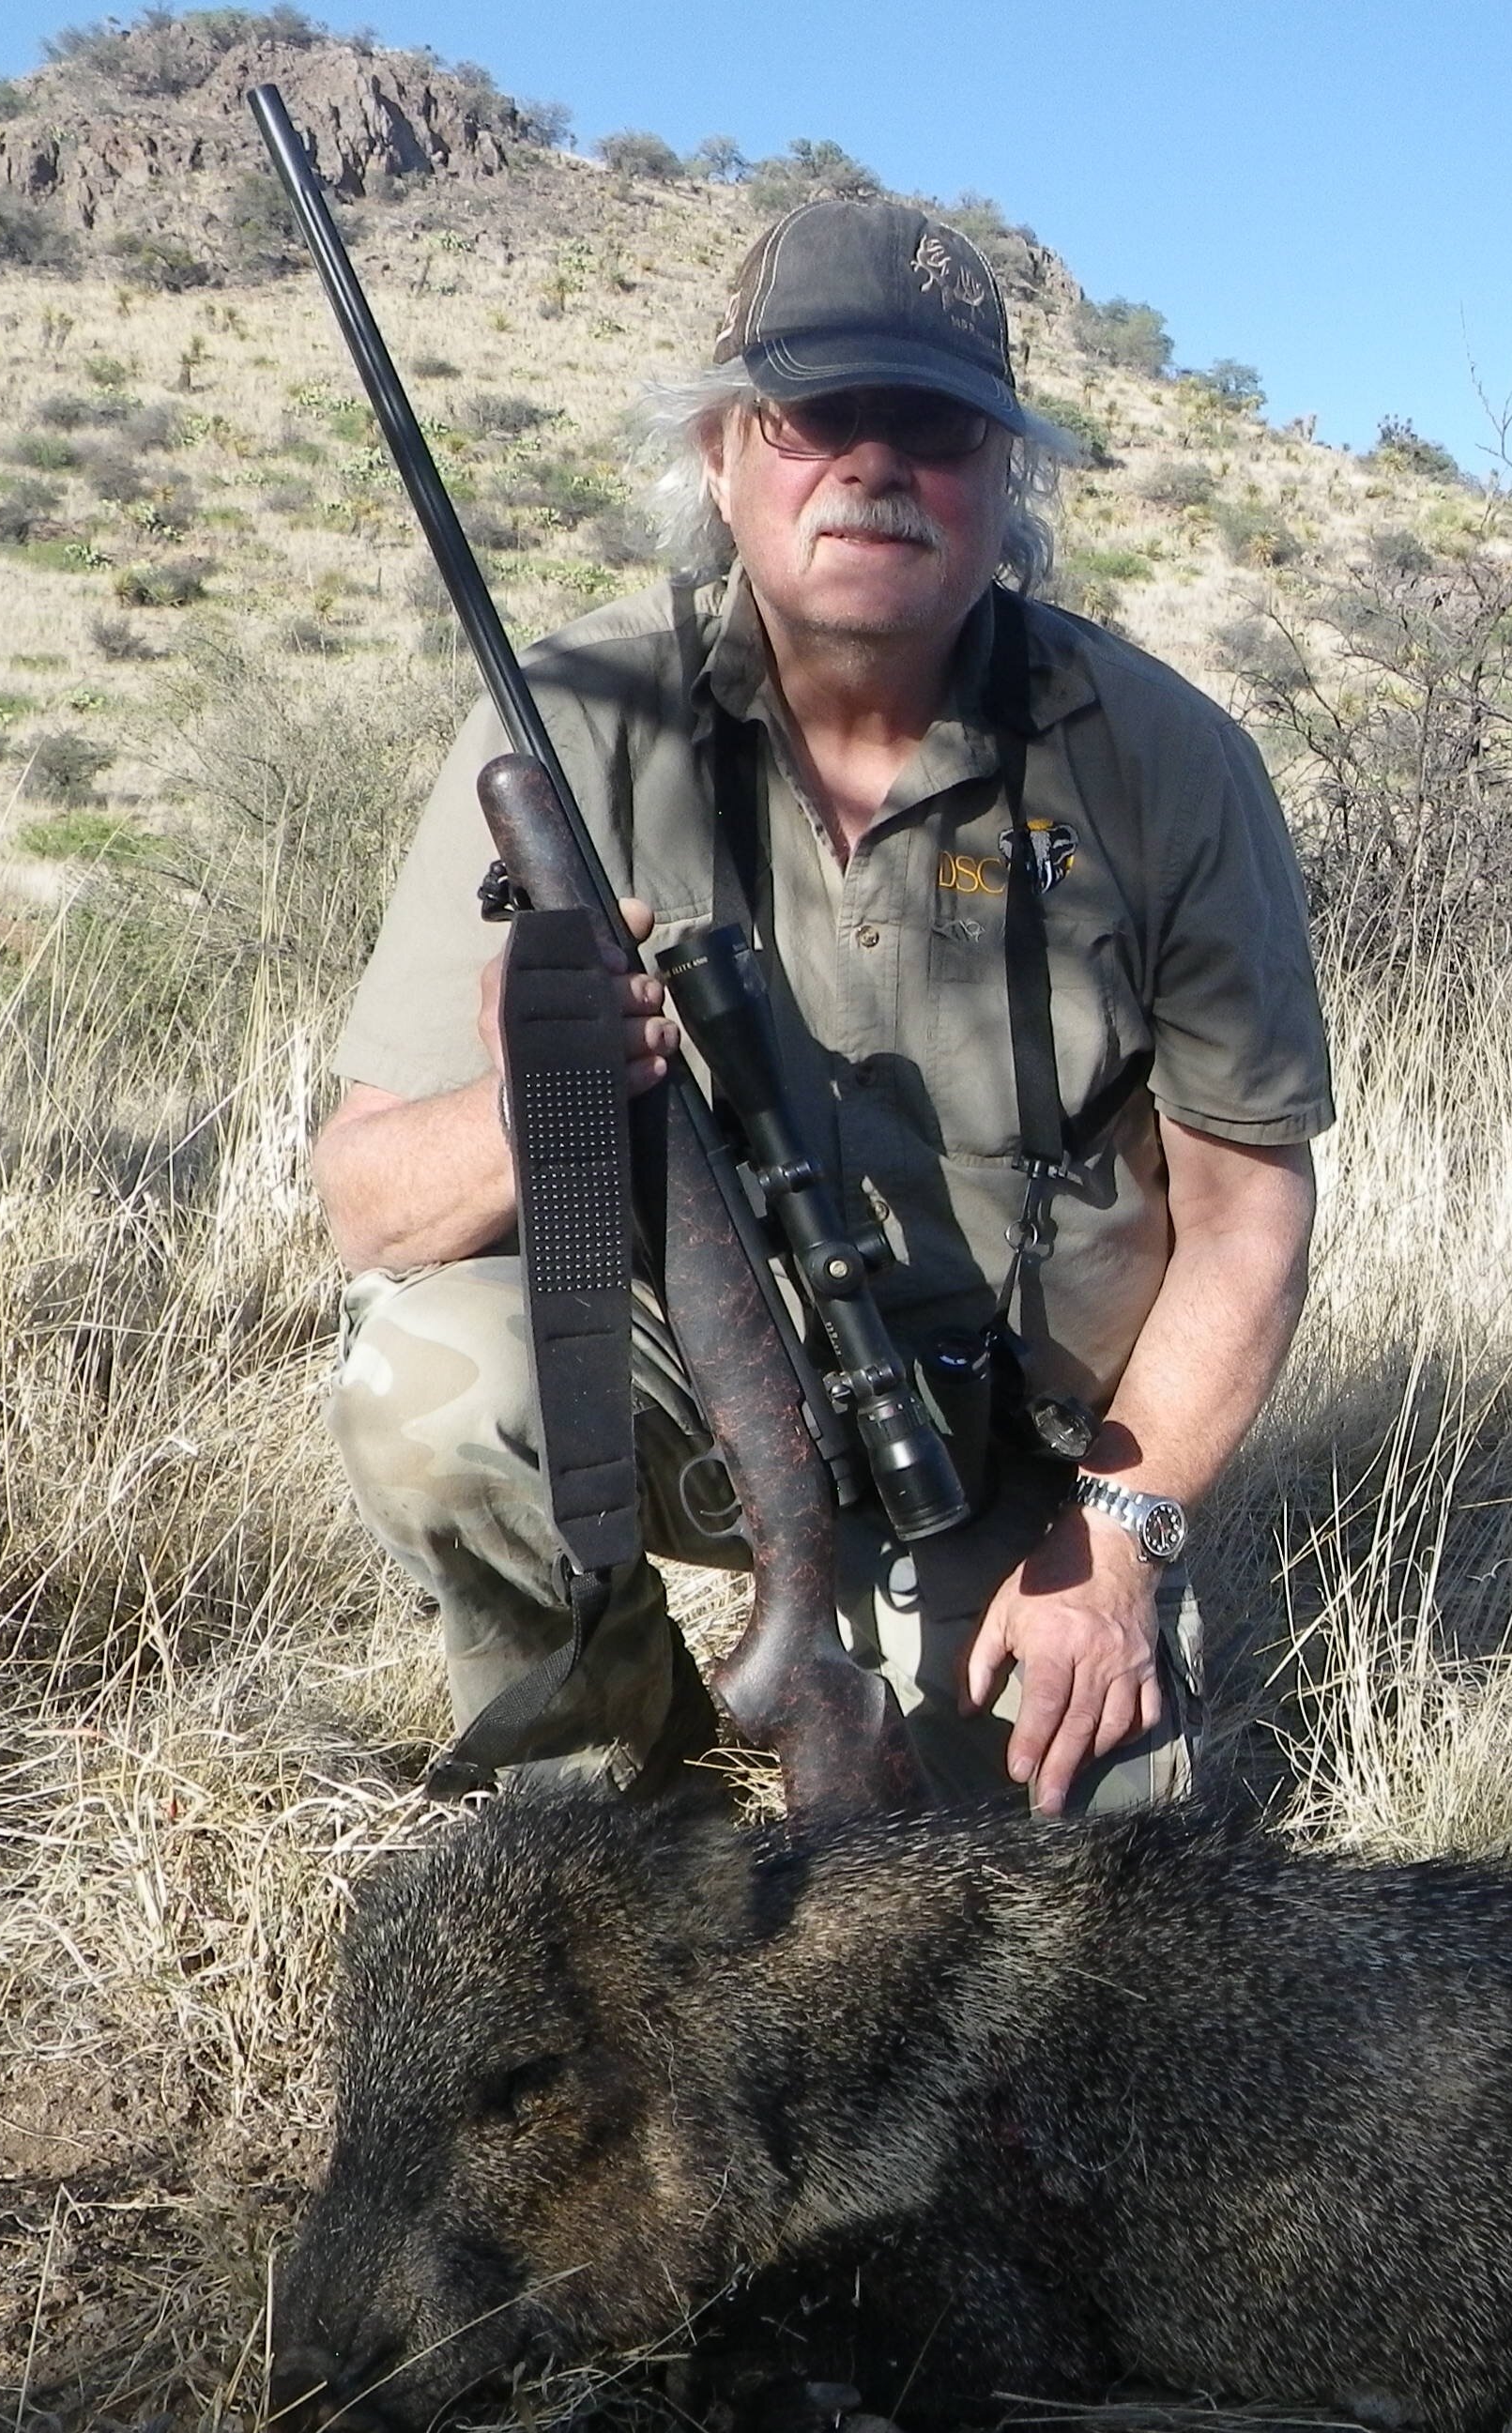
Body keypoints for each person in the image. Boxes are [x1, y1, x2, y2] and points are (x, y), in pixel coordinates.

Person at [313, 197, 1330, 1817]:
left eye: (929, 426)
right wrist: (539, 1098)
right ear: (722, 454)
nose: (871, 466)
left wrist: (1116, 1549)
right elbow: (371, 1208)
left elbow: (1247, 1218)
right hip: (675, 1388)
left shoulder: (1163, 761)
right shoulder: (568, 725)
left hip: (1009, 1454)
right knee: (431, 1393)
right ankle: (614, 1817)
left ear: (1005, 481)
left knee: (1083, 1884)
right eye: (810, 418)